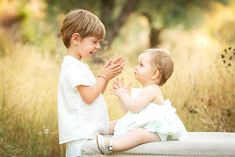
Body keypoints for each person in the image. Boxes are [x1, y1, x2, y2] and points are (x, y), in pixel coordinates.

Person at [57, 9, 125, 157]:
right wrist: (104, 76)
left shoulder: (79, 65)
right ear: (76, 39)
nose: (98, 46)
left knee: (127, 123)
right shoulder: (72, 66)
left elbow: (96, 92)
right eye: (94, 42)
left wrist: (105, 74)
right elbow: (89, 96)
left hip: (87, 134)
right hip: (81, 138)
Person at [96, 48, 188, 154]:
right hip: (144, 124)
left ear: (154, 74)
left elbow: (134, 108)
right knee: (117, 123)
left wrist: (123, 94)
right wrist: (122, 97)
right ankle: (95, 130)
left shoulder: (152, 90)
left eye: (141, 65)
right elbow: (128, 112)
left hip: (155, 131)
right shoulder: (143, 90)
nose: (136, 67)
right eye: (137, 64)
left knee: (139, 134)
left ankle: (111, 146)